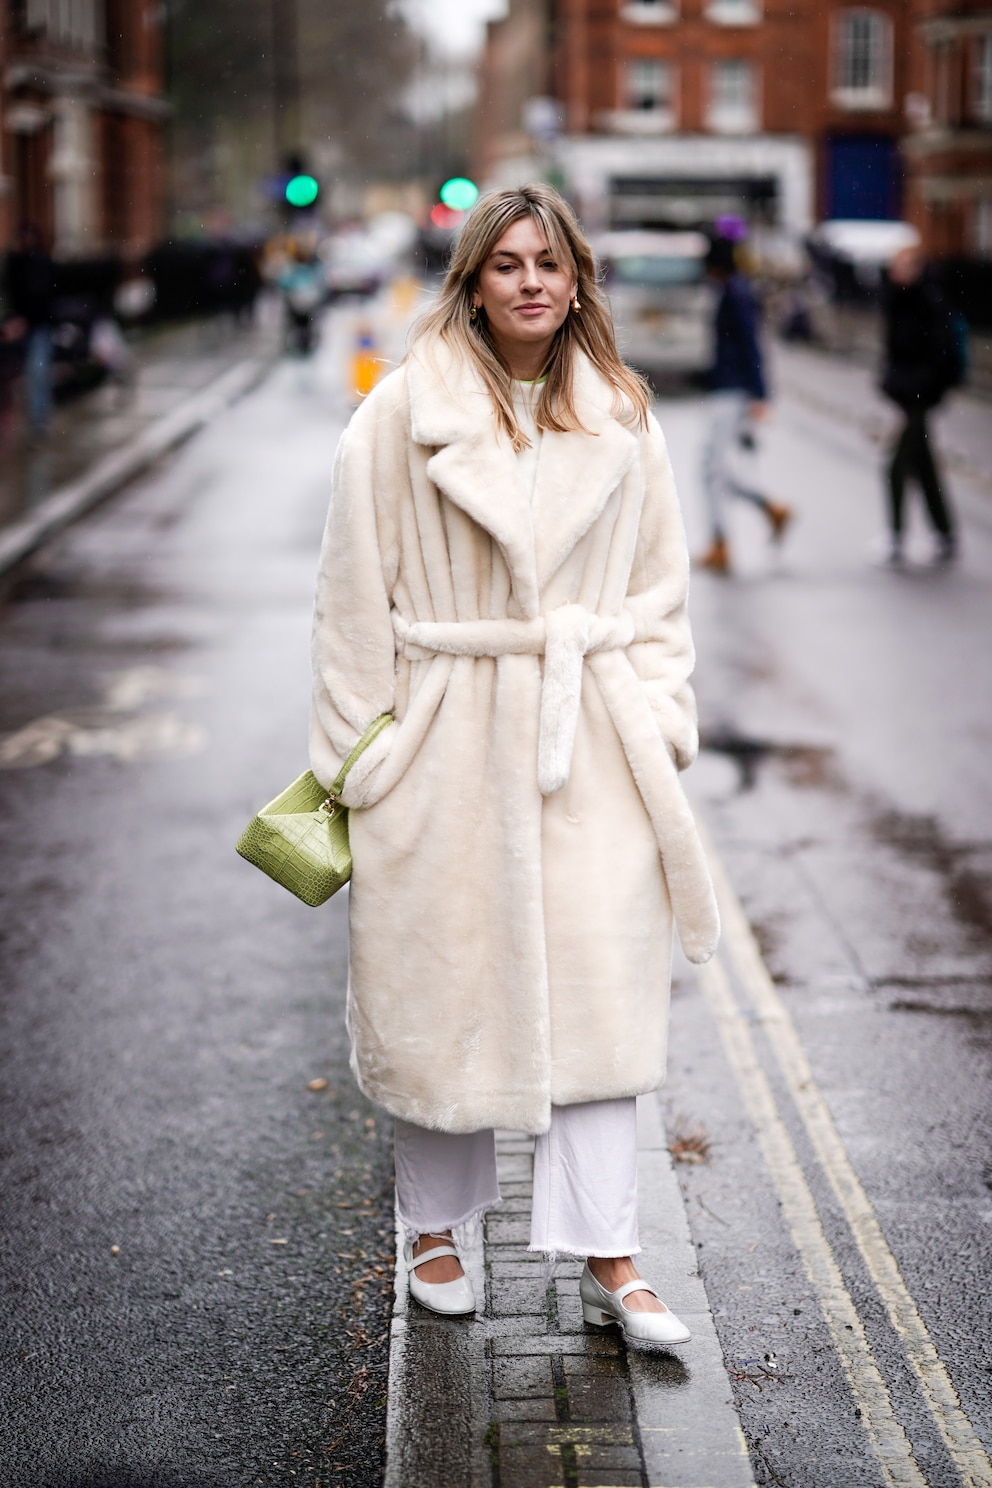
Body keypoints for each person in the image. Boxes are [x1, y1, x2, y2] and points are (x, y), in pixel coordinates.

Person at [309, 184, 719, 1344]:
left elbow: (657, 596)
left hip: (588, 737)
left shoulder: (624, 418)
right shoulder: (396, 420)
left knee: (598, 997)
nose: (530, 281)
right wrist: (365, 764)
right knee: (443, 996)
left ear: (576, 278)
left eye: (548, 262)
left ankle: (613, 1258)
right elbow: (349, 606)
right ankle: (433, 1232)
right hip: (444, 742)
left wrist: (659, 715)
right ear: (473, 285)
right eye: (505, 265)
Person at [695, 236, 791, 574]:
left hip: (732, 390)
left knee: (713, 469)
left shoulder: (735, 293)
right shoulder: (729, 291)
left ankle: (722, 542)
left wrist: (760, 395)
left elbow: (751, 343)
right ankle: (767, 509)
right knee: (715, 468)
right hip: (726, 386)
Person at [878, 245, 959, 566]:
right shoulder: (897, 301)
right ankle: (945, 534)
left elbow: (941, 354)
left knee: (895, 467)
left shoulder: (930, 302)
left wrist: (919, 387)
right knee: (923, 467)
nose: (898, 272)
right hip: (906, 396)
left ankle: (896, 537)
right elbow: (894, 352)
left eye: (905, 265)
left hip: (920, 399)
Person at [5, 221, 55, 434]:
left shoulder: (41, 263)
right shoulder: (14, 263)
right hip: (17, 329)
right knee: (25, 375)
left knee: (37, 372)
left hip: (38, 328)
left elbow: (41, 297)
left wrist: (24, 319)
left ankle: (39, 422)